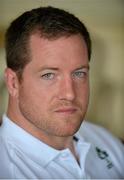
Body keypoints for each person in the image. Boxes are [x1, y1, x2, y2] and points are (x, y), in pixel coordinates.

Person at [0, 6, 124, 179]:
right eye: (49, 75)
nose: (69, 94)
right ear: (13, 83)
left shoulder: (106, 142)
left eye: (79, 73)